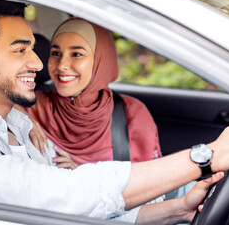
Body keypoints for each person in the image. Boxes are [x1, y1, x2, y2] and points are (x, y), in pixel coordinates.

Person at [0, 0, 229, 224]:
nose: (40, 64)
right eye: (20, 50)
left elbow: (79, 211)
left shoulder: (16, 123)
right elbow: (66, 197)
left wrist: (172, 211)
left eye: (35, 49)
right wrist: (206, 156)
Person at [24, 18, 161, 168]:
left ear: (100, 60)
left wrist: (80, 176)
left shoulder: (132, 113)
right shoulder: (30, 108)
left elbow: (147, 185)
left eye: (76, 54)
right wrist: (22, 116)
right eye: (56, 53)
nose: (62, 65)